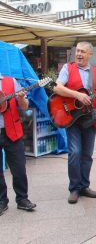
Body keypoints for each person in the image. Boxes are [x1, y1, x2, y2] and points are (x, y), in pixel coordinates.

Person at [54, 41, 96, 204]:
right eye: (77, 51)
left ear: (90, 54)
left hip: (90, 118)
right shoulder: (67, 69)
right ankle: (74, 188)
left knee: (87, 155)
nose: (79, 54)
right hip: (72, 117)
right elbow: (57, 88)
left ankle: (84, 186)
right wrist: (77, 95)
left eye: (83, 51)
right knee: (75, 152)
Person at [0, 73, 36, 216]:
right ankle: (2, 201)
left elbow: (25, 106)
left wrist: (21, 98)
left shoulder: (10, 81)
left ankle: (22, 199)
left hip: (12, 131)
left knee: (19, 168)